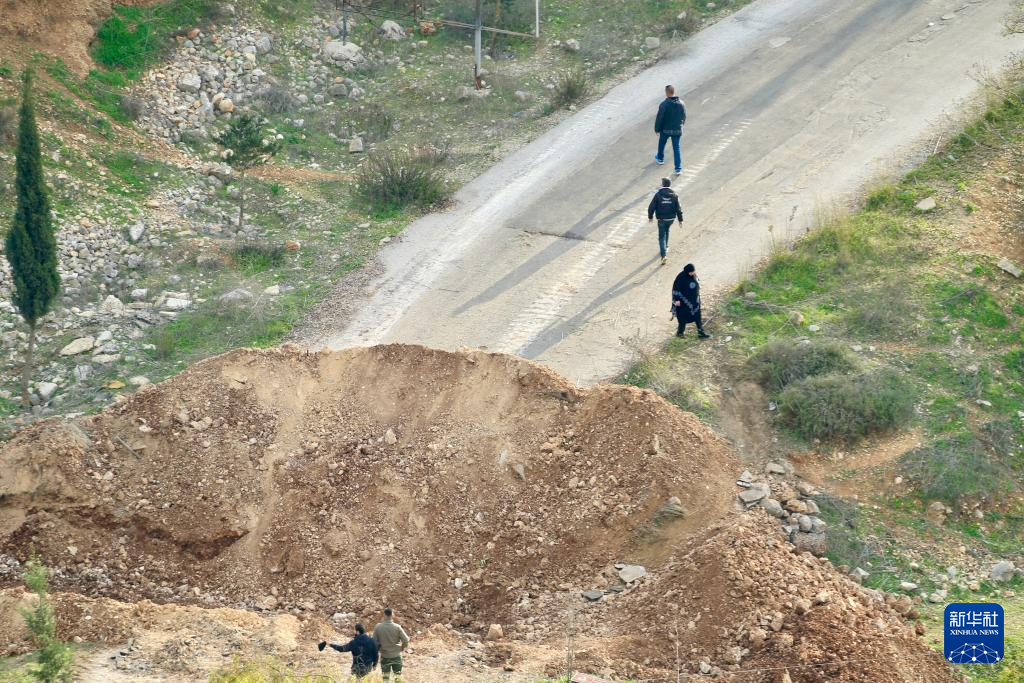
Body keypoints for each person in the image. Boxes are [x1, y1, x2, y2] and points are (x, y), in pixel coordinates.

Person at [647, 177, 683, 265]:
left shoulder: (658, 194)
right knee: (667, 230)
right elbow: (678, 208)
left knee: (661, 237)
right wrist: (680, 220)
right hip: (671, 219)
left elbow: (651, 207)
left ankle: (663, 256)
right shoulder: (674, 195)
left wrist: (650, 217)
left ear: (663, 184)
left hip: (661, 219)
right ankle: (666, 247)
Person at [654, 84, 686, 174]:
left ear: (667, 92)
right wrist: (681, 125)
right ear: (673, 91)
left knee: (662, 143)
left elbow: (659, 118)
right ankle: (678, 168)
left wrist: (657, 129)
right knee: (676, 148)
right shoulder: (681, 103)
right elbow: (684, 116)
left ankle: (660, 158)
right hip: (677, 130)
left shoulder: (663, 104)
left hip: (665, 130)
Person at [671, 263, 710, 339]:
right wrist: (677, 300)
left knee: (697, 317)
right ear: (687, 271)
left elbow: (697, 282)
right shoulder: (681, 277)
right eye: (691, 272)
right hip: (684, 302)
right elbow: (675, 289)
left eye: (693, 271)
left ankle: (701, 333)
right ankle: (680, 333)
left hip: (695, 301)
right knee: (683, 318)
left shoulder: (693, 275)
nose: (693, 273)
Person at [373, 607, 410, 681]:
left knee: (386, 679)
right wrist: (402, 648)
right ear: (392, 615)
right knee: (398, 678)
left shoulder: (378, 627)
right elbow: (406, 640)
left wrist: (379, 650)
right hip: (396, 655)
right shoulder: (397, 627)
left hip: (385, 656)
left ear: (384, 615)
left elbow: (374, 642)